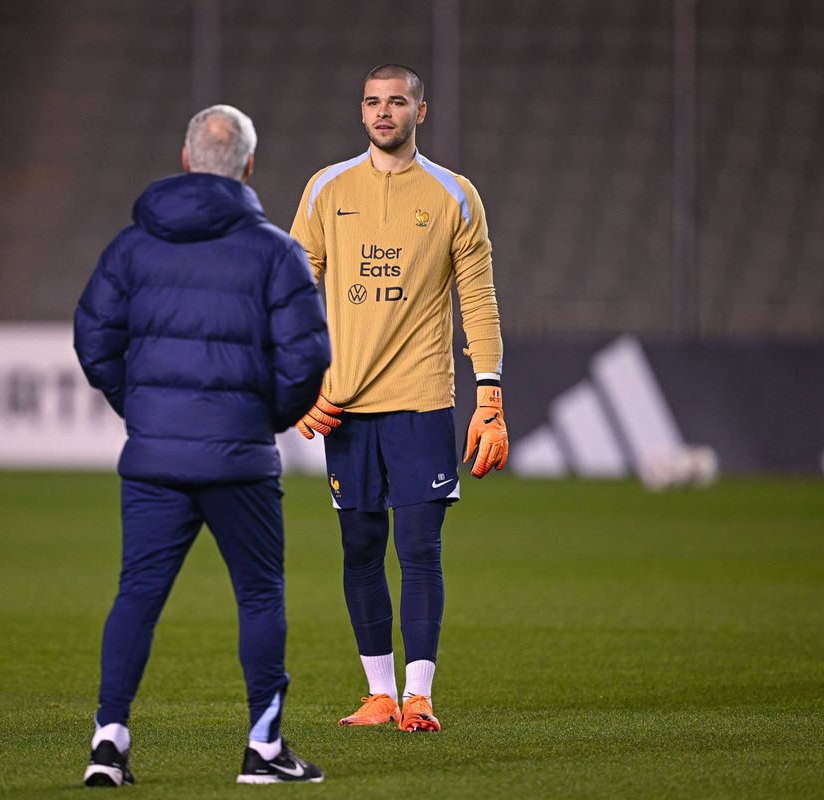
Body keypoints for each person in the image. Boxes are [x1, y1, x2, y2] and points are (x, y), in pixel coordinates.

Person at [74, 104, 330, 786]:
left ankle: (108, 743)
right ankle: (263, 750)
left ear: (186, 160)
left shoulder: (132, 246)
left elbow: (93, 338)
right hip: (239, 458)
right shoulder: (275, 251)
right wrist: (264, 417)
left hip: (155, 457)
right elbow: (308, 356)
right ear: (248, 165)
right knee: (260, 596)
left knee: (137, 594)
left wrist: (143, 407)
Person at [289, 64, 508, 733]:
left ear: (421, 111)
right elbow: (289, 291)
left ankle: (419, 696)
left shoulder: (454, 194)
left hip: (421, 400)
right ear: (361, 113)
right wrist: (297, 383)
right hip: (345, 406)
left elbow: (478, 300)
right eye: (372, 102)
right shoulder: (326, 188)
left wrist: (490, 396)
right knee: (359, 549)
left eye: (397, 102)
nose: (384, 112)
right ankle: (379, 694)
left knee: (418, 548)